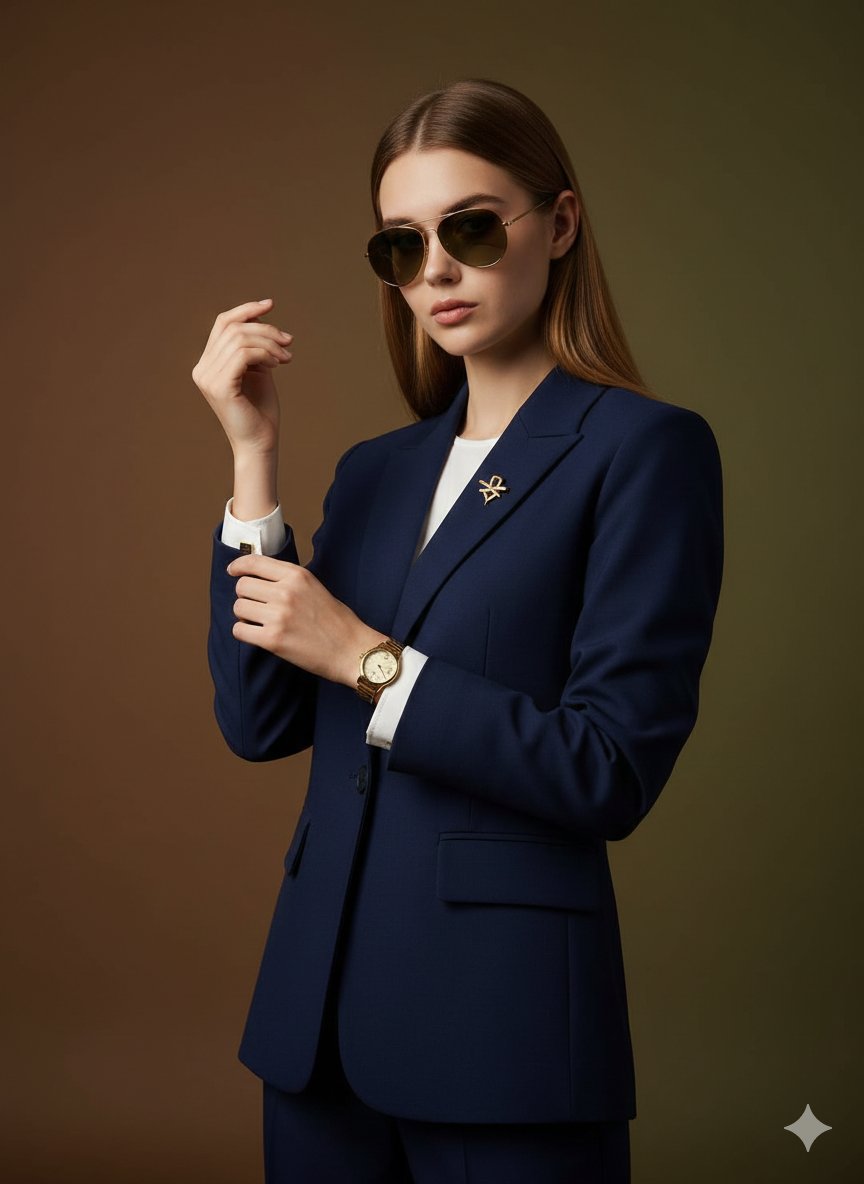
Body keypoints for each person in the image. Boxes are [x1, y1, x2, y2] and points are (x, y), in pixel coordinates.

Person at [194, 77, 724, 1184]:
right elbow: (259, 720)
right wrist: (253, 466)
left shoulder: (644, 450)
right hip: (317, 1026)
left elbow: (610, 766)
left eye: (471, 228)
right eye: (401, 244)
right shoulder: (377, 474)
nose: (434, 269)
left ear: (561, 223)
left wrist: (371, 660)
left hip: (504, 1028)